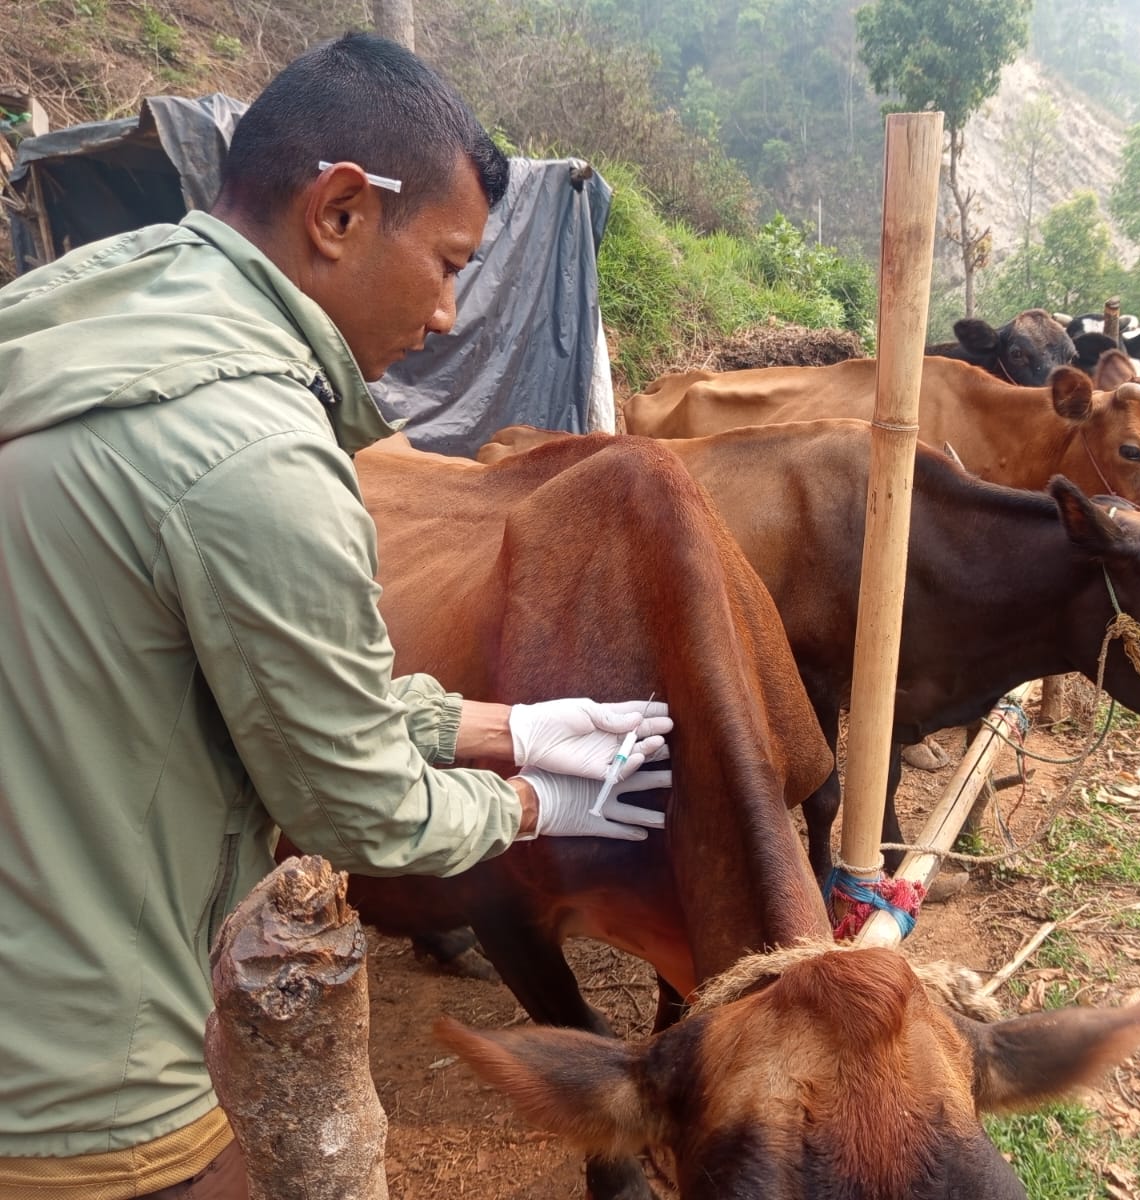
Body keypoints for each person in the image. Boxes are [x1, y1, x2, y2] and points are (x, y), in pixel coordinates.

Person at [0, 33, 672, 1199]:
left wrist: (505, 725)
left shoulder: (80, 317)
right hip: (71, 1067)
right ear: (343, 212)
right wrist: (537, 799)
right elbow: (355, 807)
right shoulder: (254, 453)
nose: (452, 312)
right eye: (449, 261)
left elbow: (251, 679)